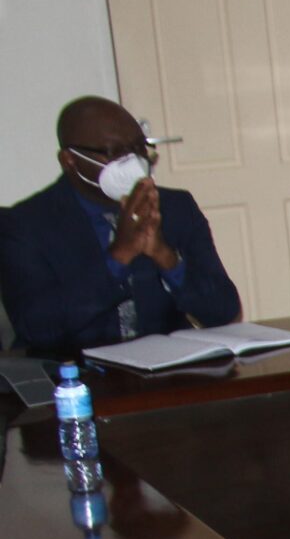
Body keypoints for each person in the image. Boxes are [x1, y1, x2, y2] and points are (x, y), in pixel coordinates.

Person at [0, 97, 243, 359]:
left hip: (169, 368)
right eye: (114, 151)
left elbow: (224, 312)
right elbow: (37, 328)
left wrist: (166, 257)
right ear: (70, 160)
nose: (133, 161)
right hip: (77, 371)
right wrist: (118, 256)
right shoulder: (26, 224)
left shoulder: (175, 207)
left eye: (139, 147)